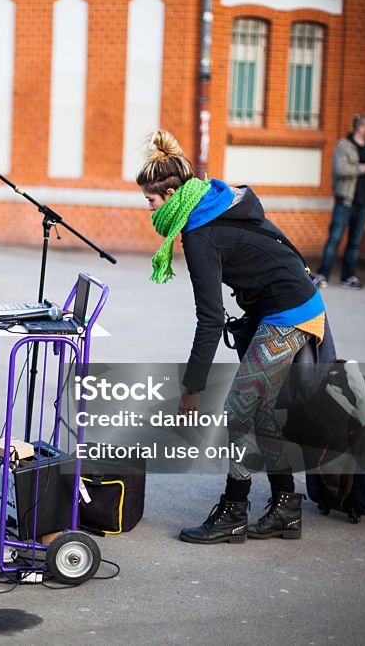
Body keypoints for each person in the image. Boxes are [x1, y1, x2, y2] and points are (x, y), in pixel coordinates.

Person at [137, 130, 326, 545]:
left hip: (288, 313)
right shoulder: (216, 200)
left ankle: (234, 511)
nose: (147, 209)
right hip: (288, 305)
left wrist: (192, 388)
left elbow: (208, 319)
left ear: (170, 195)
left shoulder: (199, 233)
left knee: (240, 408)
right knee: (260, 411)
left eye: (150, 201)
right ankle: (286, 508)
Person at [313, 115, 365, 290]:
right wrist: (364, 168)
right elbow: (341, 169)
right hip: (345, 202)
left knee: (355, 242)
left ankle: (348, 277)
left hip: (364, 204)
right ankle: (323, 275)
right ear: (362, 128)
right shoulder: (343, 146)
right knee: (334, 239)